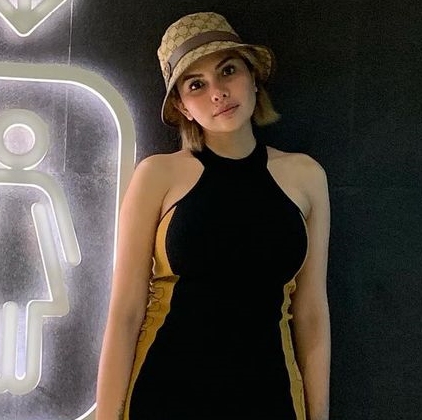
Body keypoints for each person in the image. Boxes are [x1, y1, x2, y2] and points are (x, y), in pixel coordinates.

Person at [95, 11, 331, 420]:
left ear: (252, 77)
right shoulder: (157, 175)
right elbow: (125, 313)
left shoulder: (306, 176)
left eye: (228, 70)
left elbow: (311, 314)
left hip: (269, 397)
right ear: (182, 106)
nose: (218, 92)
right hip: (165, 396)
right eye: (196, 84)